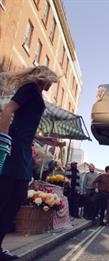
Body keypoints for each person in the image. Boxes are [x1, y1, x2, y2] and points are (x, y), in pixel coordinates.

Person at [0, 66, 58, 260]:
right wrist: (3, 139)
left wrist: (45, 139)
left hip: (24, 147)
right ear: (45, 78)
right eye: (52, 81)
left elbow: (26, 124)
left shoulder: (36, 92)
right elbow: (8, 109)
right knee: (7, 195)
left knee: (17, 196)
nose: (52, 85)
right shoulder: (31, 88)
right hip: (14, 146)